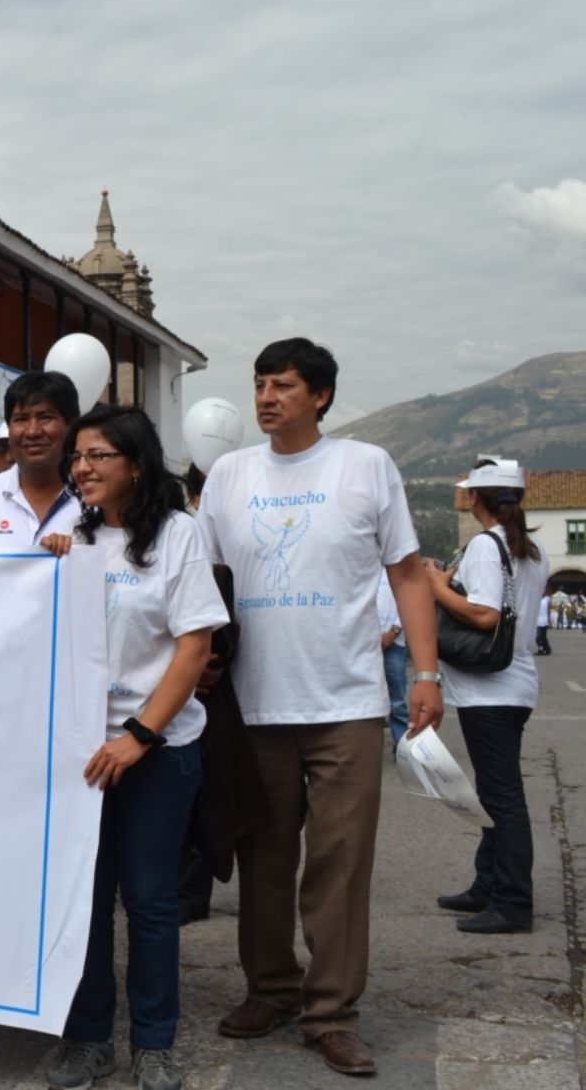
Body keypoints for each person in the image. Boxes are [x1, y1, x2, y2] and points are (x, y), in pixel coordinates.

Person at [195, 338, 439, 1078]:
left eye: (284, 385)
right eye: (260, 384)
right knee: (264, 858)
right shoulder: (228, 474)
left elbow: (407, 570)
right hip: (254, 703)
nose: (266, 397)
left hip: (347, 703)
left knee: (339, 866)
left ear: (321, 395)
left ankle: (332, 1013)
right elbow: (202, 580)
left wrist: (425, 673)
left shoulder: (365, 466)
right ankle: (269, 989)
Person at [48, 406, 226, 1090]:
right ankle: (87, 1036)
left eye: (98, 455)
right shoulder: (69, 534)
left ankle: (154, 1042)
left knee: (150, 900)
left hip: (159, 749)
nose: (82, 468)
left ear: (136, 463)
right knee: (83, 902)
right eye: (79, 456)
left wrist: (139, 737)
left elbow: (194, 646)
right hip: (81, 751)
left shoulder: (177, 535)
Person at [429, 457, 549, 936]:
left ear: (474, 498)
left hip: (488, 690)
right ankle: (488, 883)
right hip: (516, 683)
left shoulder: (485, 544)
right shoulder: (533, 549)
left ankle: (513, 901)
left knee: (502, 797)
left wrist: (438, 586)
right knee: (496, 791)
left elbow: (482, 616)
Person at [0, 371, 82, 557]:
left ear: (72, 425)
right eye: (21, 419)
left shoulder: (94, 502)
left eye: (45, 417)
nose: (33, 431)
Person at [375, 570, 409, 744]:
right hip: (366, 643)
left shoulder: (397, 570)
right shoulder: (365, 569)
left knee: (397, 702)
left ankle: (402, 747)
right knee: (369, 700)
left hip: (394, 643)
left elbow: (408, 602)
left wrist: (393, 632)